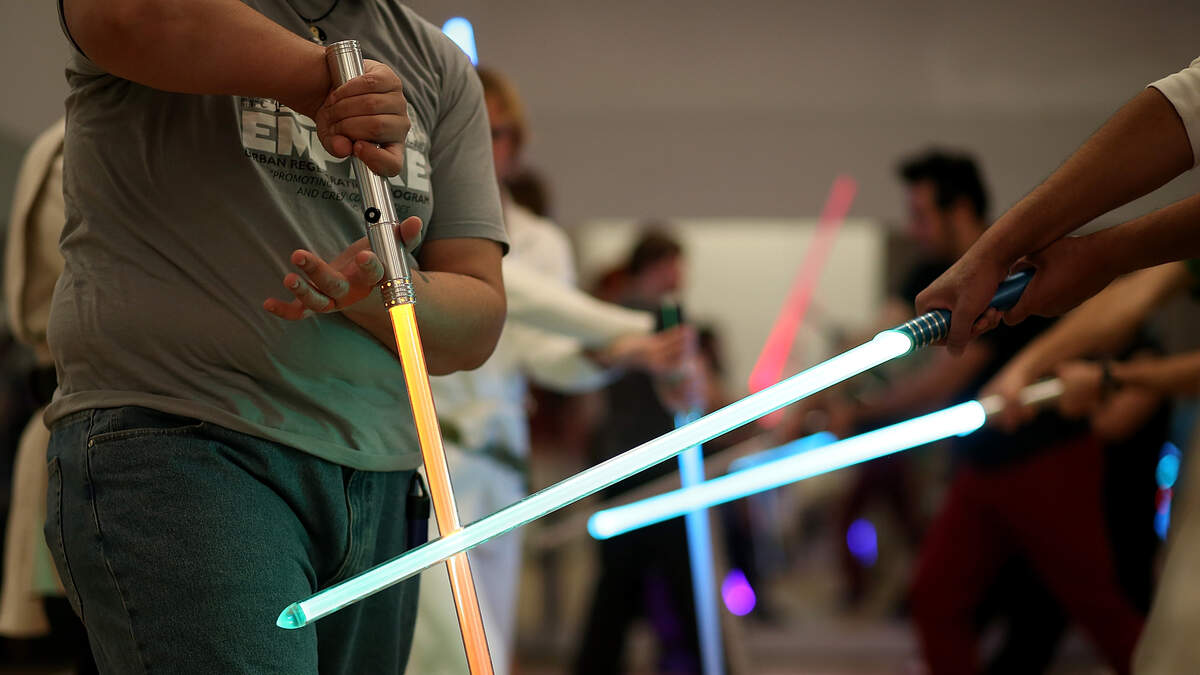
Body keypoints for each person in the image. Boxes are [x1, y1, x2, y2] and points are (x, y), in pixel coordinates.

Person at [47, 2, 508, 673]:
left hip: (382, 477)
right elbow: (128, 13)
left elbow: (477, 320)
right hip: (188, 441)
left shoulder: (437, 62)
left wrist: (376, 291)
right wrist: (324, 81)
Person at [406, 67, 690, 675]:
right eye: (464, 130)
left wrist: (617, 352)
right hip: (426, 468)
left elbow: (544, 353)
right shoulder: (418, 224)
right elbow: (519, 292)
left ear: (517, 143)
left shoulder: (542, 243)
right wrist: (627, 329)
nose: (481, 147)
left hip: (501, 470)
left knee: (488, 649)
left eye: (495, 132)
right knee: (462, 654)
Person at [916, 58, 1199, 351]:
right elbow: (1190, 104)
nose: (914, 229)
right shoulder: (933, 273)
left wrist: (994, 255)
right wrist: (992, 255)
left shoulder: (994, 284)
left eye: (920, 216)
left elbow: (1189, 105)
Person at [573, 230, 711, 675]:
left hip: (622, 464)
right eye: (676, 265)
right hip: (657, 466)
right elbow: (690, 386)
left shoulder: (610, 311)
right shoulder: (660, 317)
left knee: (619, 587)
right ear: (659, 265)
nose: (681, 275)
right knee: (674, 583)